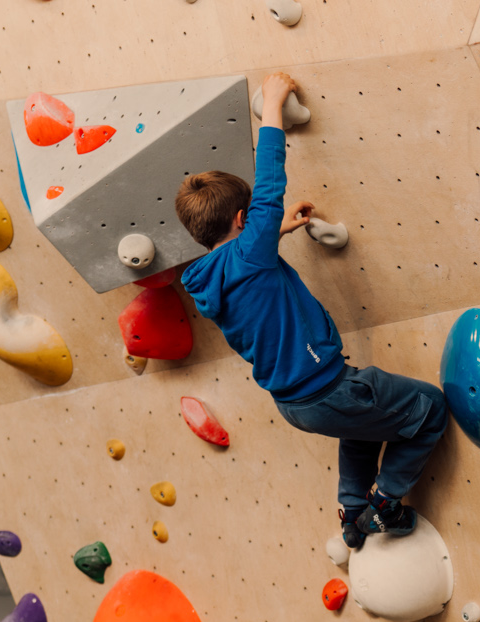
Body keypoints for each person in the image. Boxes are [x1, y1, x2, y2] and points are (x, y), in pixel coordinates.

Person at [176, 71, 448, 554]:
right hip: (329, 389)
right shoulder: (248, 254)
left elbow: (245, 269)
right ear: (244, 221)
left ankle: (351, 512)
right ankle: (385, 503)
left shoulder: (209, 277)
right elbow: (269, 182)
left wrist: (276, 230)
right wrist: (274, 105)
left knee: (364, 431)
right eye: (255, 222)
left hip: (295, 406)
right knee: (428, 409)